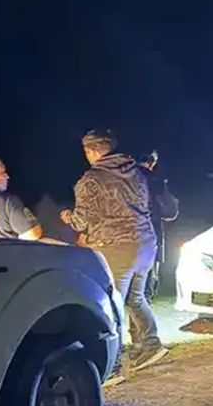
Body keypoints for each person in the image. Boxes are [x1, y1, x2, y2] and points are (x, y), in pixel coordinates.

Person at [60, 129, 168, 371]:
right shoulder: (137, 172)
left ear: (91, 151)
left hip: (114, 248)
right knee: (135, 298)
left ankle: (114, 364)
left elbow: (82, 222)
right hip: (146, 244)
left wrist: (68, 217)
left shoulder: (91, 180)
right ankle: (151, 345)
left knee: (112, 304)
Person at [138, 151, 179, 301]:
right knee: (146, 285)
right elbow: (170, 211)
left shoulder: (118, 180)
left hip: (118, 239)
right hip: (150, 235)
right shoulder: (155, 181)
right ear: (152, 162)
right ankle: (140, 323)